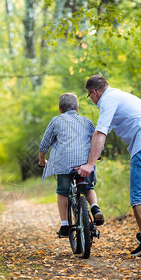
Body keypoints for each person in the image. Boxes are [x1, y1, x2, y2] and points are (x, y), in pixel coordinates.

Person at [76, 75, 141, 257]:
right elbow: (101, 136)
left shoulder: (107, 100)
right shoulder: (123, 97)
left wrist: (89, 164)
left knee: (138, 195)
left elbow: (100, 133)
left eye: (90, 96)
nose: (92, 100)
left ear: (94, 92)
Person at [39, 92, 105, 238]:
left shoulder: (56, 121)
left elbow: (44, 145)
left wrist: (42, 161)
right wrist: (97, 156)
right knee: (88, 188)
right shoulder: (87, 121)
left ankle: (64, 225)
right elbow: (97, 142)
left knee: (62, 192)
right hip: (85, 164)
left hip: (63, 164)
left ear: (60, 109)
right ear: (77, 108)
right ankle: (95, 207)